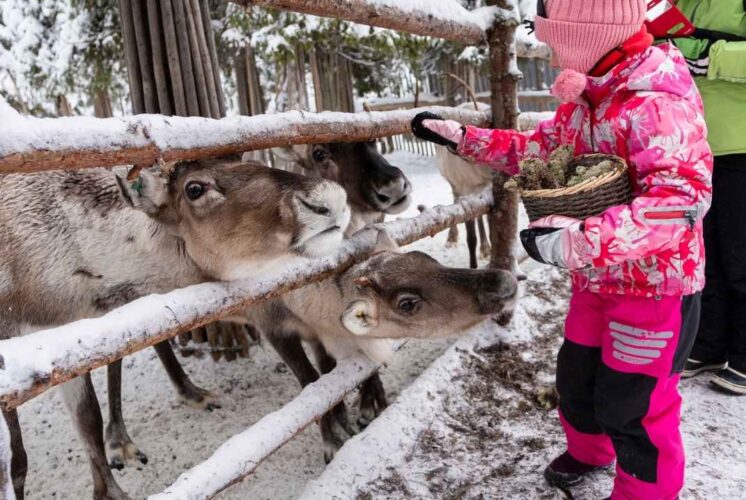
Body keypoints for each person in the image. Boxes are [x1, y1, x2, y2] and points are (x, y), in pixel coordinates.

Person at [411, 1, 713, 498]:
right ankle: (591, 451)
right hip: (596, 280)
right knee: (577, 380)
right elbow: (537, 152)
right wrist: (466, 140)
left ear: (589, 39)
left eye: (557, 43)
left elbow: (681, 201)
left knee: (634, 402)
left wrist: (581, 239)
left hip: (656, 288)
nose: (550, 56)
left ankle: (645, 492)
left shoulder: (657, 102)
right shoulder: (588, 101)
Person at [674, 0, 746, 394]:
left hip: (741, 143)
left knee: (740, 256)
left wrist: (712, 57)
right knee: (706, 254)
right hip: (693, 144)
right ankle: (710, 344)